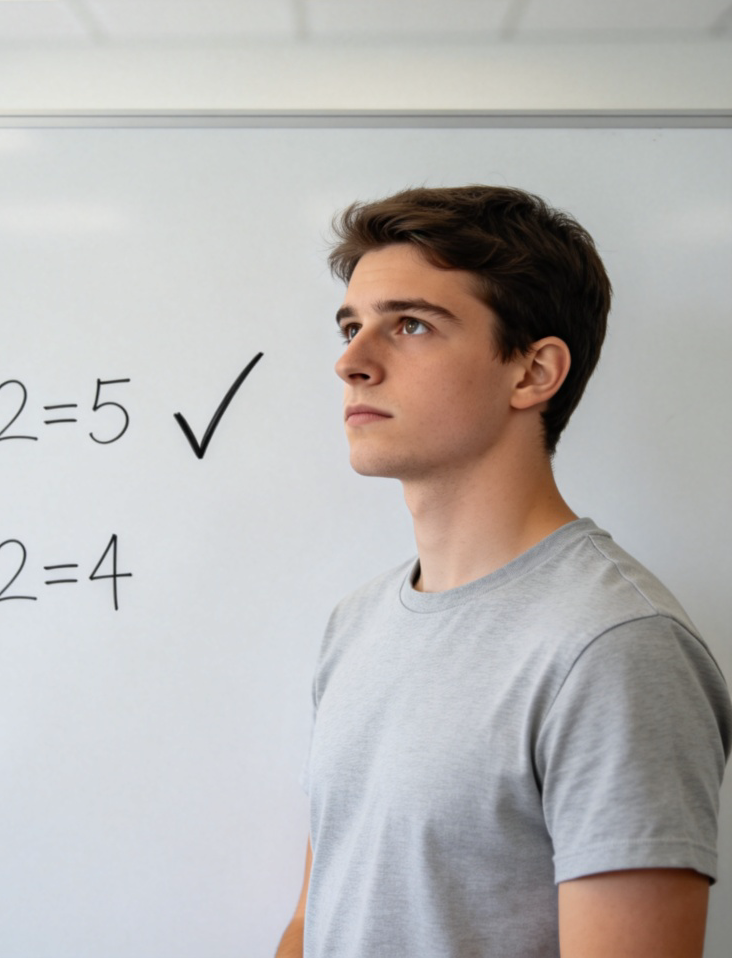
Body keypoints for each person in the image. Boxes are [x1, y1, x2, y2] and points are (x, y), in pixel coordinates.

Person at [276, 185, 732, 958]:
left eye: (410, 325)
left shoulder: (615, 647)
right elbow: (313, 920)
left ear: (533, 372)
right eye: (352, 326)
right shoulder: (356, 624)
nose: (351, 362)